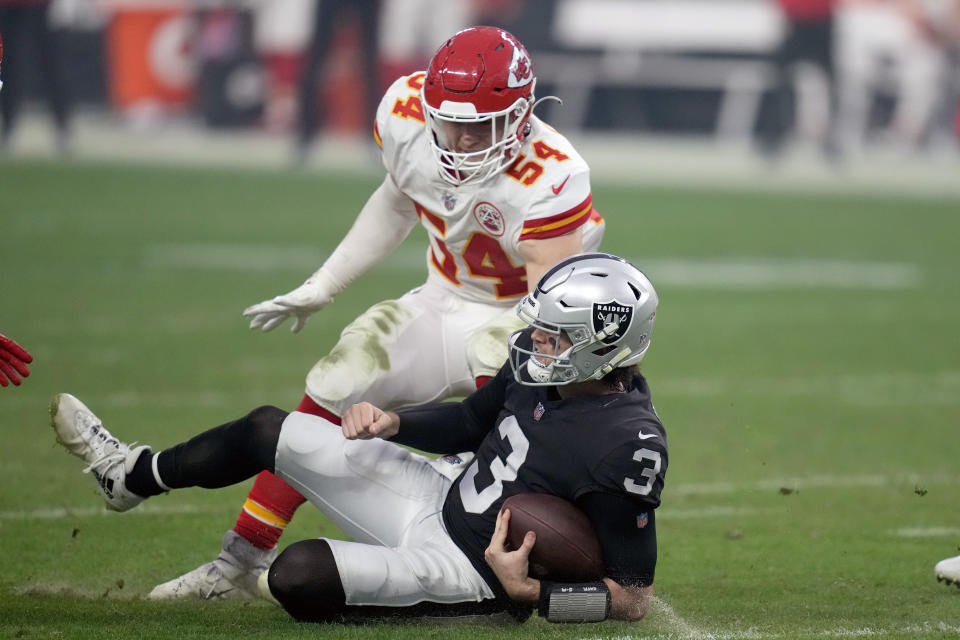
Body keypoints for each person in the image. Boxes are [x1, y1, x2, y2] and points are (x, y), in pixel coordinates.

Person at [148, 25, 606, 600]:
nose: (461, 141)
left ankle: (470, 558)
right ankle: (240, 557)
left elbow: (546, 312)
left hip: (516, 311)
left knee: (505, 377)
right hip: (442, 297)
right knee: (338, 378)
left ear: (520, 115)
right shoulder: (407, 112)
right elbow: (397, 199)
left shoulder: (554, 175)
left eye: (478, 126)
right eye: (452, 124)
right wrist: (326, 283)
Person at [51, 252, 665, 623]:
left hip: (470, 570)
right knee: (271, 427)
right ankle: (128, 475)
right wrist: (396, 421)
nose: (536, 343)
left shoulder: (627, 444)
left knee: (296, 576)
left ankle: (469, 614)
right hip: (436, 496)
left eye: (555, 337)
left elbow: (633, 596)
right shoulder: (541, 369)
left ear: (602, 347)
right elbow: (473, 421)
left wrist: (535, 593)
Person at [757, 0, 840, 159]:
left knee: (831, 84)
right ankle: (777, 135)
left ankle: (831, 138)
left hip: (822, 21)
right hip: (794, 21)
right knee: (781, 81)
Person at [0, 0, 71, 151]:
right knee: (7, 64)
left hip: (41, 5)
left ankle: (62, 125)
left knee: (50, 61)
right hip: (9, 5)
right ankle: (8, 126)